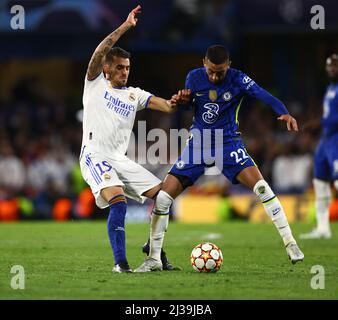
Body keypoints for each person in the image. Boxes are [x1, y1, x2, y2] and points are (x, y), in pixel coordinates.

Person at [136, 45, 304, 272]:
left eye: (221, 72)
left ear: (229, 66)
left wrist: (281, 110)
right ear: (204, 62)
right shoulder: (194, 77)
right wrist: (182, 100)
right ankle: (155, 259)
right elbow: (191, 107)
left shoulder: (238, 79)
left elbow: (262, 93)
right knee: (164, 198)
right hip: (199, 143)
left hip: (228, 143)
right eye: (212, 71)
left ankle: (290, 242)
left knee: (262, 188)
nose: (215, 76)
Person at [80, 5, 179, 273]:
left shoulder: (134, 95)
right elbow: (101, 49)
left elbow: (165, 106)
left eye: (128, 68)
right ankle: (120, 263)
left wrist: (178, 100)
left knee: (162, 198)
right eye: (120, 68)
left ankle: (155, 253)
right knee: (118, 200)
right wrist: (125, 27)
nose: (125, 72)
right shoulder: (95, 84)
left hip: (119, 159)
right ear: (107, 69)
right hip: (94, 154)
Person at [300, 54, 338, 239]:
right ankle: (323, 228)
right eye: (329, 66)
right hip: (326, 140)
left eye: (335, 66)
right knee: (320, 182)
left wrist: (319, 122)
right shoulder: (331, 87)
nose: (331, 69)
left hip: (337, 139)